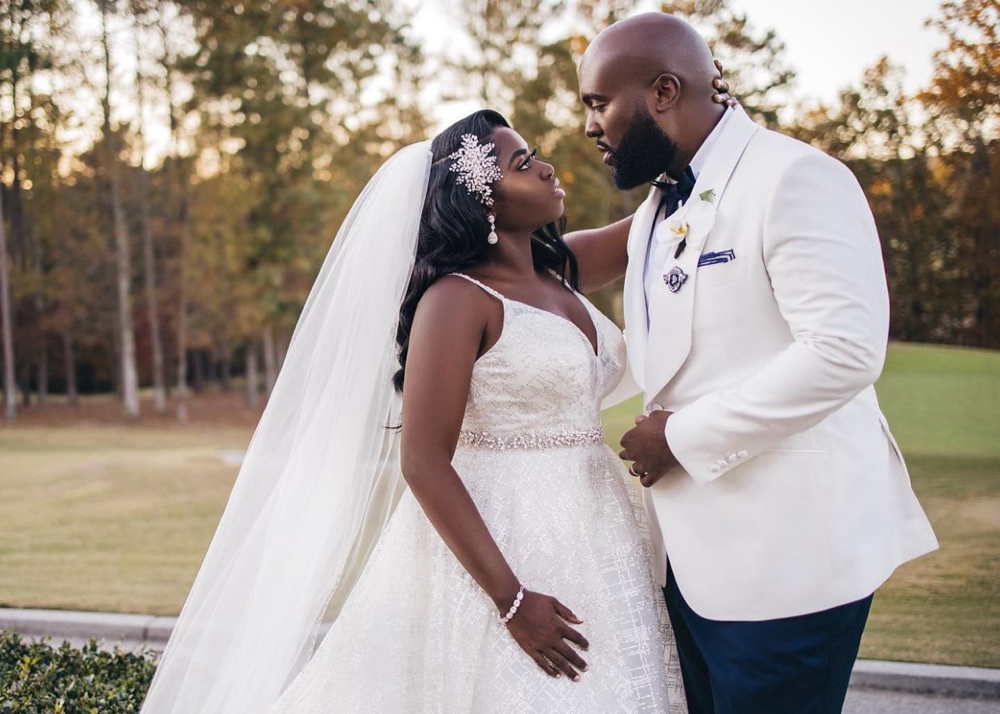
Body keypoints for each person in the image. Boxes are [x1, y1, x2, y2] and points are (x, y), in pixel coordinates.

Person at [138, 94, 732, 713]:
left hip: (599, 523)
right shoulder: (455, 300)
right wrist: (512, 600)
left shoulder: (563, 268)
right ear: (485, 200)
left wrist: (699, 122)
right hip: (505, 538)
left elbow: (661, 220)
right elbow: (422, 459)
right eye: (523, 162)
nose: (547, 167)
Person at [573, 12, 940, 714]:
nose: (590, 125)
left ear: (663, 91)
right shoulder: (661, 203)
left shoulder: (796, 176)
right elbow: (585, 273)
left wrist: (678, 437)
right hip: (690, 560)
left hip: (790, 557)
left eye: (597, 103)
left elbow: (844, 351)